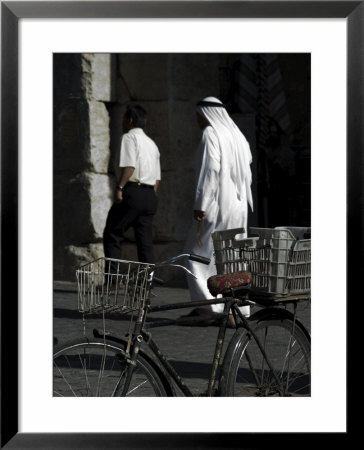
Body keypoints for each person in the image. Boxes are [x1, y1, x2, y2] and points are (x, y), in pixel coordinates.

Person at [183, 96, 253, 326]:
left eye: (198, 116)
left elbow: (209, 171)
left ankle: (206, 308)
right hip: (238, 206)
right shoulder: (238, 136)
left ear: (205, 115)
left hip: (218, 205)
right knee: (231, 256)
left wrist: (200, 205)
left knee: (195, 255)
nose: (197, 121)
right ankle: (237, 311)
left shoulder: (211, 134)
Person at [103, 104, 161, 271]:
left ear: (130, 120)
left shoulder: (128, 137)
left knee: (113, 233)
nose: (122, 122)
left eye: (123, 118)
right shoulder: (152, 144)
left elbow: (130, 166)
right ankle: (147, 284)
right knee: (145, 242)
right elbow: (157, 178)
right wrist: (147, 196)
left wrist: (120, 187)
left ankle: (114, 278)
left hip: (133, 191)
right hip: (150, 195)